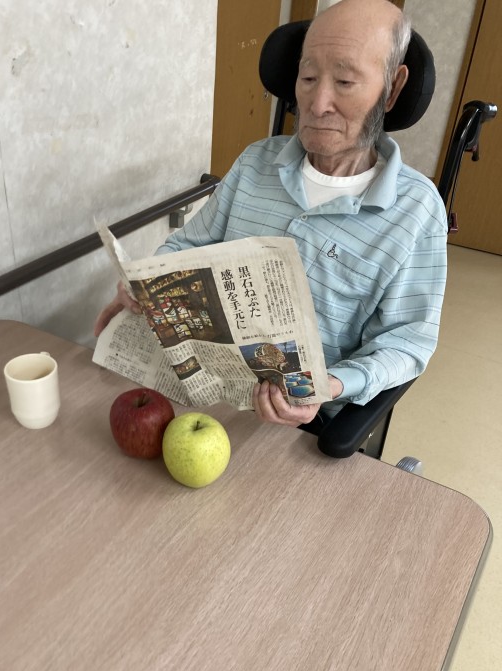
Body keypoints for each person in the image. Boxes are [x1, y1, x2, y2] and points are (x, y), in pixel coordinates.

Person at [94, 0, 448, 430]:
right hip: (205, 391)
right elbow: (187, 245)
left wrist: (332, 384)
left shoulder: (416, 210)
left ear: (391, 89)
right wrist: (145, 284)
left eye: (344, 81)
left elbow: (407, 343)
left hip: (300, 424)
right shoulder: (255, 163)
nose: (317, 103)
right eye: (308, 78)